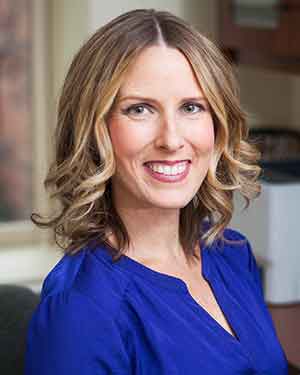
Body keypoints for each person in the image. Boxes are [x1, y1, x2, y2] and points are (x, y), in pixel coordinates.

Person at [25, 8, 288, 374]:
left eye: (192, 107)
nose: (171, 139)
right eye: (140, 109)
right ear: (94, 130)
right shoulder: (81, 310)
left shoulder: (232, 254)